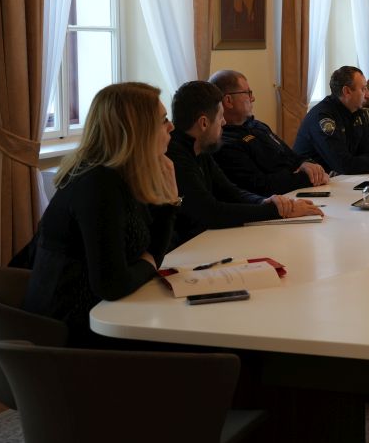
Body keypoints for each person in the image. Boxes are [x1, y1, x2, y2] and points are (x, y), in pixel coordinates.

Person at [22, 83, 180, 347]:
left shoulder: (122, 176)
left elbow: (153, 251)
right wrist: (149, 265)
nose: (171, 127)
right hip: (73, 336)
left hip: (103, 315)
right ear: (138, 130)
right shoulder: (99, 185)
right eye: (163, 119)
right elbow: (113, 284)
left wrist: (170, 201)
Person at [168, 81, 321, 248]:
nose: (223, 122)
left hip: (204, 241)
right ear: (204, 123)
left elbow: (231, 192)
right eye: (220, 117)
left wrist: (266, 202)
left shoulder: (200, 148)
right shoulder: (175, 156)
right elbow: (210, 212)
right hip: (181, 250)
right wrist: (277, 211)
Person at [208, 69, 328, 195]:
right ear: (228, 101)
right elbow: (260, 186)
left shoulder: (257, 126)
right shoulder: (225, 143)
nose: (253, 98)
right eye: (248, 93)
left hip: (299, 190)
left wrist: (308, 165)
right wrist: (307, 178)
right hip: (278, 200)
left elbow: (291, 156)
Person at [294, 66, 369, 174]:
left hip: (340, 180)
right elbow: (343, 163)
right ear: (347, 91)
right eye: (363, 89)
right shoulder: (323, 117)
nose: (368, 95)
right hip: (312, 184)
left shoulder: (358, 113)